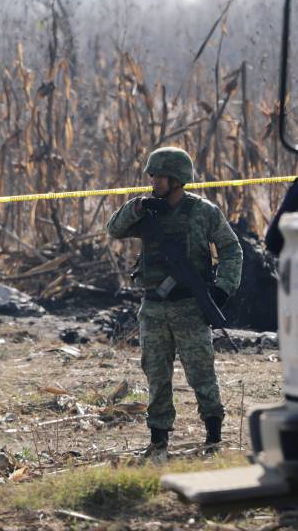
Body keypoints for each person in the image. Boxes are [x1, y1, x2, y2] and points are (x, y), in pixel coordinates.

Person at [106, 147, 242, 456]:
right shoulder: (147, 211)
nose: (153, 181)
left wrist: (223, 289)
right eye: (152, 176)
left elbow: (231, 249)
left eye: (159, 177)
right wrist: (136, 207)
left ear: (177, 179)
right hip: (153, 307)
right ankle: (159, 438)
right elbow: (114, 230)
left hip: (190, 306)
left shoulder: (203, 212)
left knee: (201, 372)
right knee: (156, 373)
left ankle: (213, 434)